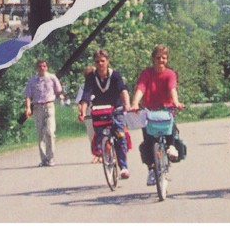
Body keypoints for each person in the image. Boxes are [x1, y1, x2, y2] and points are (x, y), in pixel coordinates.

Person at [129, 44, 185, 186]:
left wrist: (176, 102)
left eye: (164, 58)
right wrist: (135, 103)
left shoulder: (170, 74)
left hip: (166, 109)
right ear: (153, 59)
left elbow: (172, 88)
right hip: (149, 111)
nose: (161, 60)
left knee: (171, 128)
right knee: (148, 141)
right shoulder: (146, 73)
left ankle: (171, 146)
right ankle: (151, 170)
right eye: (158, 58)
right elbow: (141, 88)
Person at [77, 50, 131, 179]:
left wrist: (127, 105)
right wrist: (83, 111)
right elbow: (86, 95)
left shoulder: (115, 75)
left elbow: (123, 90)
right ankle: (104, 152)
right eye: (97, 61)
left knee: (119, 135)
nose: (100, 64)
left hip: (116, 108)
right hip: (99, 109)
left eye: (102, 61)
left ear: (107, 61)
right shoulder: (91, 77)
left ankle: (123, 167)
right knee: (101, 135)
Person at [23, 59, 64, 167]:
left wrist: (61, 96)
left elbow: (59, 90)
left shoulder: (52, 78)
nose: (42, 68)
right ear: (37, 68)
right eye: (40, 66)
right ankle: (43, 159)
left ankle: (51, 158)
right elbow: (28, 95)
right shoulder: (32, 80)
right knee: (40, 134)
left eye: (44, 66)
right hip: (37, 107)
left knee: (50, 132)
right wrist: (28, 108)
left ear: (47, 67)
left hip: (49, 105)